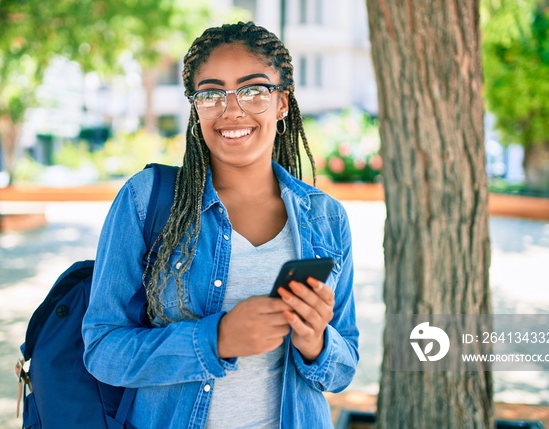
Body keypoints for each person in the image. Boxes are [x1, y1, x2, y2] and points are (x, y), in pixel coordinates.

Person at [82, 21, 359, 428]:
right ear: (196, 106)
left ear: (282, 102)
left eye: (252, 90)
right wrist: (216, 340)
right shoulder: (146, 201)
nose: (231, 110)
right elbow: (102, 349)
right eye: (211, 93)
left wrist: (315, 342)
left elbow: (343, 369)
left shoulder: (326, 217)